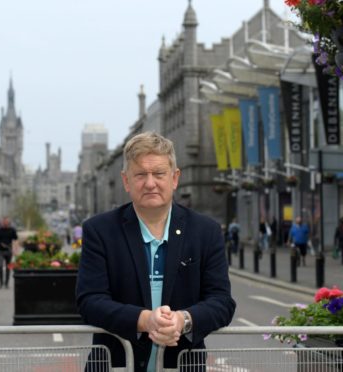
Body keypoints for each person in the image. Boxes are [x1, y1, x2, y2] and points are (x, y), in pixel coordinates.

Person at [76, 132, 235, 371]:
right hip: (116, 366)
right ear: (126, 181)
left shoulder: (206, 231)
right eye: (140, 174)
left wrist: (183, 321)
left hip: (183, 366)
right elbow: (89, 301)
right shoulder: (100, 231)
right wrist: (144, 321)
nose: (150, 183)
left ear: (174, 178)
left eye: (159, 174)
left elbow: (222, 302)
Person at [0, 217, 18, 289]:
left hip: (9, 250)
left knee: (8, 267)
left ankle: (6, 283)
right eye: (4, 222)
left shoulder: (12, 230)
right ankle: (1, 282)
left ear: (8, 222)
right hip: (0, 251)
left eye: (7, 222)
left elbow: (15, 240)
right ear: (2, 222)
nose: (5, 223)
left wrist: (15, 250)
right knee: (0, 266)